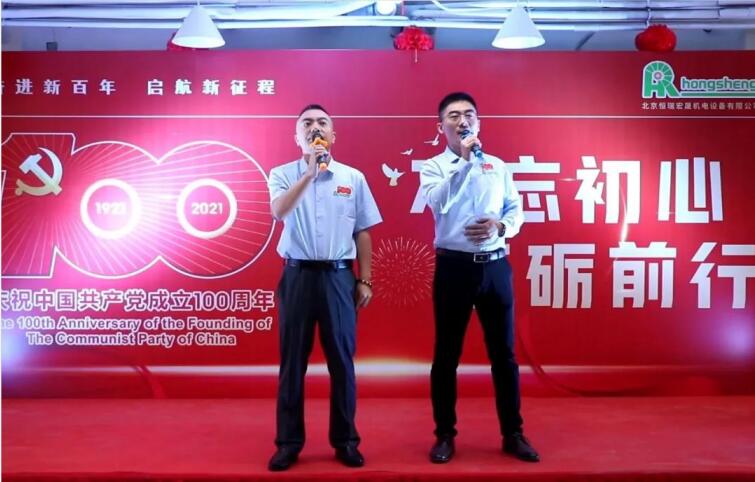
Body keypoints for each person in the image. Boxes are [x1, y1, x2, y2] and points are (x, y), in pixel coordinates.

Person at [420, 92, 539, 463]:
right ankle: (444, 435)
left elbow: (515, 210)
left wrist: (500, 226)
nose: (462, 120)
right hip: (454, 267)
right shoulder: (433, 167)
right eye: (454, 115)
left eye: (469, 114)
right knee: (446, 355)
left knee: (504, 355)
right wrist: (466, 161)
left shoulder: (498, 166)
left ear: (478, 122)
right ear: (441, 127)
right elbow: (439, 202)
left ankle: (513, 433)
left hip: (495, 267)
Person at [266, 104, 382, 471]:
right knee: (292, 364)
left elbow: (363, 230)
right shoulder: (281, 174)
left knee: (342, 364)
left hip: (338, 278)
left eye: (322, 123)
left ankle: (345, 441)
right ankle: (288, 443)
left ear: (333, 135)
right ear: (297, 137)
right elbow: (279, 210)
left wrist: (365, 278)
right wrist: (310, 174)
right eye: (307, 123)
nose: (315, 127)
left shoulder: (353, 178)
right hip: (297, 276)